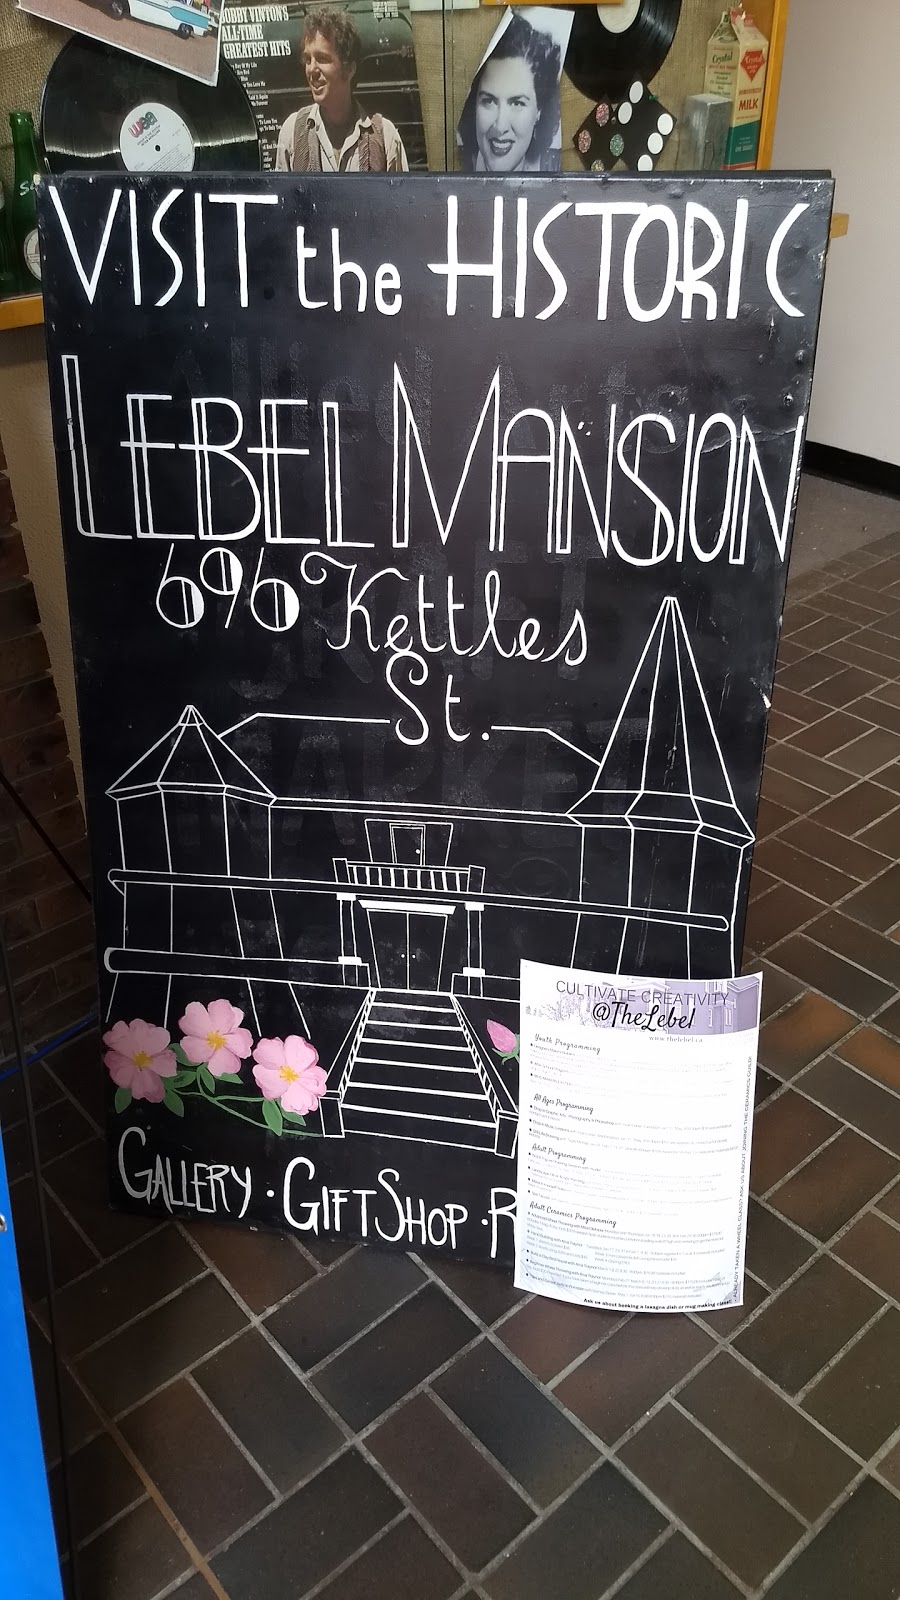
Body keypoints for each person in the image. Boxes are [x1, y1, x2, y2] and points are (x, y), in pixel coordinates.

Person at [276, 7, 409, 174]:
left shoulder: (385, 137)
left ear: (348, 69)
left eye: (322, 59)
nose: (312, 70)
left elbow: (403, 192)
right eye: (308, 59)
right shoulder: (292, 132)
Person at [457, 13, 562, 175]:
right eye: (489, 101)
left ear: (539, 111)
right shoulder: (452, 164)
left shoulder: (555, 170)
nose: (500, 127)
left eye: (517, 103)